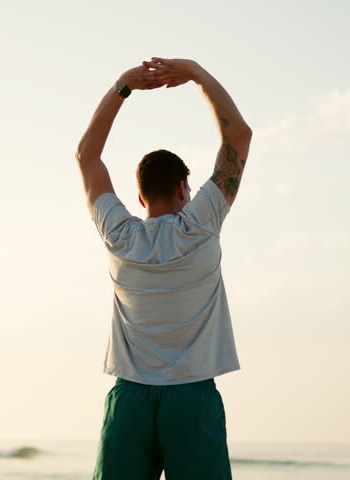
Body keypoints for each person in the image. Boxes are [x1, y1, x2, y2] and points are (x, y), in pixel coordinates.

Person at [76, 57, 252, 480]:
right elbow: (238, 137)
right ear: (181, 189)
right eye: (189, 189)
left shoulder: (119, 235)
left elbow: (87, 156)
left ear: (139, 198)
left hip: (130, 401)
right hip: (191, 400)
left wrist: (123, 85)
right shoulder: (200, 226)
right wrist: (195, 72)